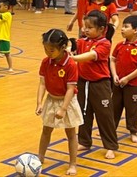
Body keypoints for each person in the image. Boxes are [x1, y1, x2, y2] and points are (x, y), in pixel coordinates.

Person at [71, 10, 118, 159]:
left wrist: (74, 58)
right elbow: (71, 44)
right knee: (84, 113)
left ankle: (110, 145)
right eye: (85, 27)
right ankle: (84, 141)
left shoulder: (104, 43)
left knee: (104, 115)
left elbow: (91, 56)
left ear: (101, 29)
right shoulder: (83, 41)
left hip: (100, 84)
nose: (85, 30)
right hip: (83, 82)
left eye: (89, 28)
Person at [36, 29, 83, 176]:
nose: (47, 53)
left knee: (71, 134)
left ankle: (73, 163)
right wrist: (39, 102)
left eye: (51, 50)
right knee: (46, 130)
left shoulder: (70, 64)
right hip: (51, 99)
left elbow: (70, 89)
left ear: (63, 48)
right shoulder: (46, 62)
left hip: (66, 102)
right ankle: (40, 158)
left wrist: (63, 109)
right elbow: (42, 83)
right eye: (45, 49)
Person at [110, 15, 137, 143]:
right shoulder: (119, 45)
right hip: (118, 83)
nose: (122, 29)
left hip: (133, 84)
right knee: (114, 108)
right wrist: (114, 75)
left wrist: (127, 78)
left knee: (132, 109)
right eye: (122, 27)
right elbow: (113, 60)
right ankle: (111, 130)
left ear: (135, 30)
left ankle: (133, 131)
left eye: (126, 27)